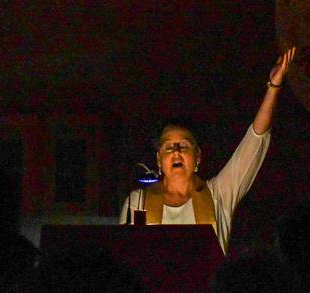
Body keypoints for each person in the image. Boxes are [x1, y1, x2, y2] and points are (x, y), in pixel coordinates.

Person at [120, 47, 296, 255]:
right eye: (168, 147)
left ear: (198, 157)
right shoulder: (138, 202)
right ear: (159, 159)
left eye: (183, 146)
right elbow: (127, 258)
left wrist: (273, 87)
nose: (176, 151)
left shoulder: (218, 195)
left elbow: (253, 144)